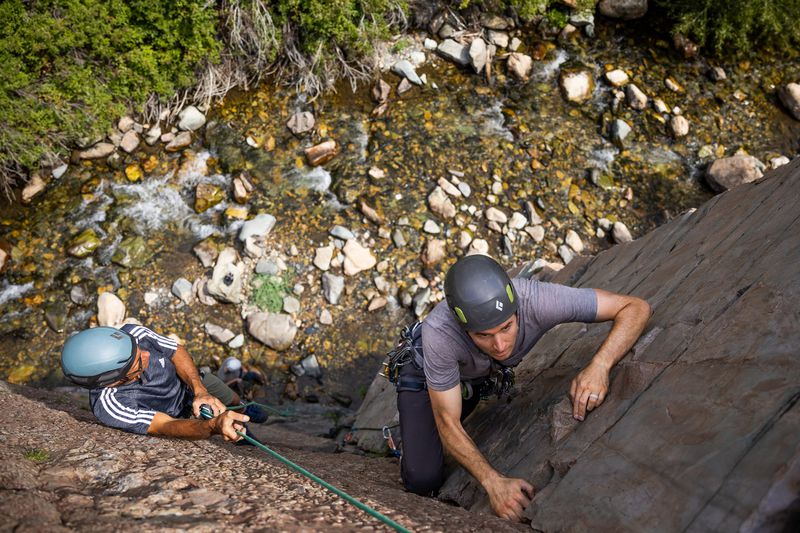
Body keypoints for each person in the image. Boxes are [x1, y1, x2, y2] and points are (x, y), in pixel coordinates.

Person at [392, 254, 651, 521]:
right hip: (425, 374)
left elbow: (635, 307)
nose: (501, 345)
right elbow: (447, 420)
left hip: (475, 373)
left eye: (506, 327)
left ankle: (451, 403)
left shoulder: (537, 300)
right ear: (462, 326)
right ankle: (407, 441)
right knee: (422, 479)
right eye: (483, 335)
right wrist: (493, 483)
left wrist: (600, 365)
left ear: (517, 309)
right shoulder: (440, 333)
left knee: (459, 407)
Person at [61, 324, 249, 442]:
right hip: (185, 415)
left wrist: (200, 390)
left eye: (137, 349)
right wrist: (213, 426)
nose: (146, 354)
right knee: (235, 429)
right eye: (138, 362)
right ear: (114, 381)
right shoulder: (111, 406)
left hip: (193, 383)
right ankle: (243, 431)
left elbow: (175, 351)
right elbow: (164, 425)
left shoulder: (134, 334)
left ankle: (244, 409)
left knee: (233, 400)